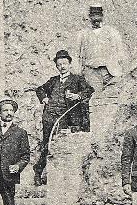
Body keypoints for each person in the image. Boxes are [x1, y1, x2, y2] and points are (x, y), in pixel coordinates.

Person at [33, 50, 94, 186]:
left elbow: (89, 90)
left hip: (65, 117)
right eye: (59, 64)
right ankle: (38, 171)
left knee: (62, 144)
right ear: (56, 66)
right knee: (47, 144)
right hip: (49, 116)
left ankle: (60, 175)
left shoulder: (77, 79)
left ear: (69, 64)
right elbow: (40, 89)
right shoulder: (53, 81)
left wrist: (78, 96)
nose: (62, 66)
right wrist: (45, 99)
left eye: (65, 63)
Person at [77, 4, 128, 93]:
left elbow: (120, 51)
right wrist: (81, 72)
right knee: (95, 97)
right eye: (93, 15)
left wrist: (122, 69)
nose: (96, 18)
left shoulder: (112, 31)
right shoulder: (83, 34)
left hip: (110, 71)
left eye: (98, 15)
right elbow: (79, 55)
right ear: (89, 17)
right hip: (92, 73)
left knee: (114, 96)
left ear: (102, 16)